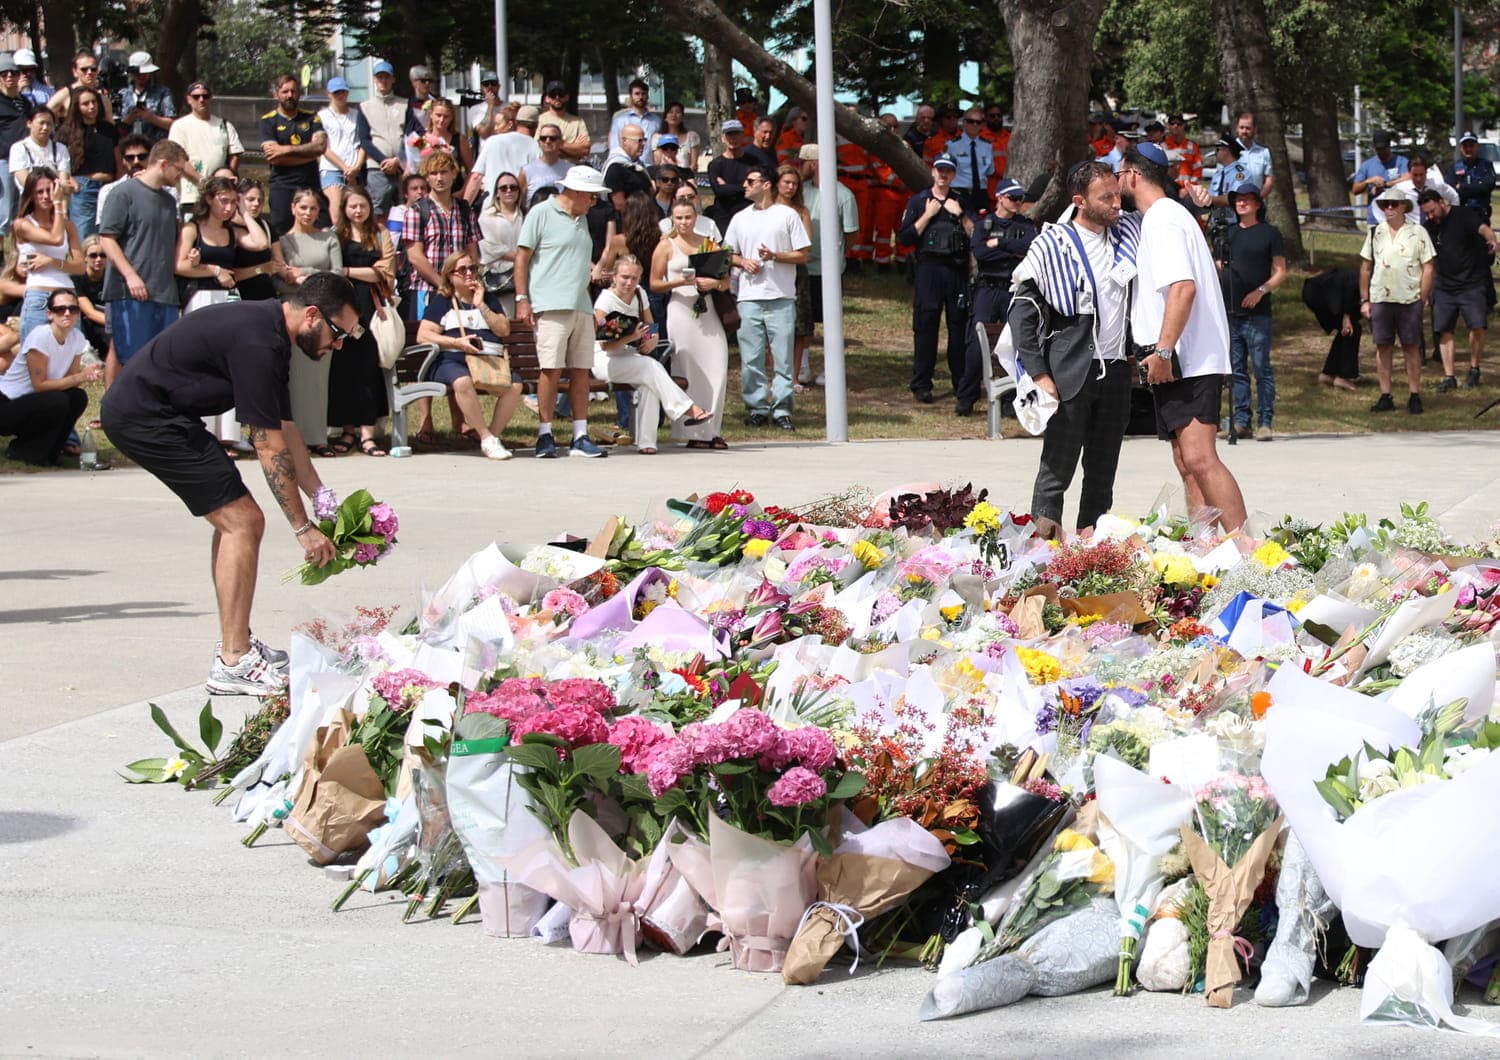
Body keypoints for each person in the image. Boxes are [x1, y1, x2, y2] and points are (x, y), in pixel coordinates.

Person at [100, 272, 360, 695]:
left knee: (237, 520)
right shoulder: (259, 342)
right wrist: (303, 528)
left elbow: (285, 428)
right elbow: (267, 445)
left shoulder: (272, 333)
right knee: (243, 521)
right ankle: (233, 660)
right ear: (312, 314)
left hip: (165, 416)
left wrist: (321, 497)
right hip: (144, 417)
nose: (340, 344)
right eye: (338, 332)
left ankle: (235, 641)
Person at [1118, 143, 1247, 533]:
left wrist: (1163, 350)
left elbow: (1182, 288)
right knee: (1186, 460)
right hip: (1182, 356)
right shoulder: (1166, 216)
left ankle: (1250, 551)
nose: (1117, 180)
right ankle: (1203, 544)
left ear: (1133, 175)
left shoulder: (1162, 219)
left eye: (1119, 173)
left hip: (1188, 356)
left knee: (1200, 457)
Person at [1010, 161, 1138, 537]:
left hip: (1115, 370)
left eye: (1117, 194)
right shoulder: (1052, 244)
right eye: (1106, 198)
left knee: (1103, 468)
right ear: (1079, 201)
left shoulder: (1128, 234)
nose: (1117, 203)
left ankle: (1090, 543)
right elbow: (1022, 314)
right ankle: (1044, 544)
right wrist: (1039, 374)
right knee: (1058, 465)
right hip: (1070, 369)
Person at [514, 164, 610, 457]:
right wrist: (522, 298)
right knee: (551, 370)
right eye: (592, 196)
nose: (594, 201)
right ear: (577, 192)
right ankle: (545, 434)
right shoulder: (541, 213)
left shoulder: (582, 219)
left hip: (581, 305)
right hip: (550, 304)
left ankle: (580, 435)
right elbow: (522, 257)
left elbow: (577, 263)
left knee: (581, 371)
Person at [177, 175, 269, 455]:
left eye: (232, 202)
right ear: (209, 199)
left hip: (228, 300)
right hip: (201, 298)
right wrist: (214, 269)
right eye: (224, 201)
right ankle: (202, 432)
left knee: (229, 365)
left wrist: (243, 212)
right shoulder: (192, 228)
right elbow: (179, 266)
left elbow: (261, 243)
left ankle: (227, 434)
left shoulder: (232, 231)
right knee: (201, 364)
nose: (228, 207)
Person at [723, 163, 810, 430]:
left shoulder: (787, 215)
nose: (745, 185)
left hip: (781, 296)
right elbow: (726, 253)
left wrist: (775, 256)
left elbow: (803, 254)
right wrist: (742, 261)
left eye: (750, 181)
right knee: (751, 358)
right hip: (749, 297)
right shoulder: (740, 218)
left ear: (766, 184)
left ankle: (782, 410)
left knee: (783, 358)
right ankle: (757, 408)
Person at [592, 255, 709, 454]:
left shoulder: (640, 293)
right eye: (624, 277)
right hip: (604, 360)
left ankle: (647, 442)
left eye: (634, 278)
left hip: (630, 356)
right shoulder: (605, 301)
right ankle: (686, 409)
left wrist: (651, 340)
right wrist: (631, 337)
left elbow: (651, 327)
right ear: (614, 277)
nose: (629, 283)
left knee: (649, 381)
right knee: (650, 367)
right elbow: (605, 346)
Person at [414, 249, 522, 460]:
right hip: (451, 360)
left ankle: (492, 437)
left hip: (488, 360)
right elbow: (423, 335)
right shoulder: (443, 301)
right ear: (450, 275)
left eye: (472, 268)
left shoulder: (488, 299)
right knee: (462, 381)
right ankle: (485, 436)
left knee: (515, 385)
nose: (469, 273)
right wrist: (456, 342)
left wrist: (481, 304)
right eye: (462, 270)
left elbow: (503, 330)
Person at [99, 139, 189, 374]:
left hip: (164, 293)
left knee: (162, 361)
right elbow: (107, 239)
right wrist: (130, 276)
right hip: (130, 292)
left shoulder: (169, 201)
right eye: (178, 169)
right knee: (131, 361)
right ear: (163, 164)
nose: (180, 176)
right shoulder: (123, 193)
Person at [651, 197, 731, 449]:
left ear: (696, 218)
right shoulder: (665, 246)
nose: (684, 222)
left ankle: (712, 430)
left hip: (707, 309)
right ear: (672, 219)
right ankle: (692, 431)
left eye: (688, 217)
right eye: (679, 218)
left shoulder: (708, 244)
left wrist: (714, 284)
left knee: (717, 366)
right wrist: (679, 282)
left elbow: (726, 280)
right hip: (680, 310)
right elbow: (654, 283)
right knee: (688, 370)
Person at [271, 187, 344, 453]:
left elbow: (337, 274)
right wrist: (302, 277)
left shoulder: (328, 238)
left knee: (317, 378)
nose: (308, 213)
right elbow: (280, 278)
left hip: (323, 313)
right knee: (294, 379)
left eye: (313, 208)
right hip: (293, 312)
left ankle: (318, 437)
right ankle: (294, 439)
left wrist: (306, 273)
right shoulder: (282, 241)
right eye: (303, 207)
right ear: (293, 208)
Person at [897, 154, 974, 405]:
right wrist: (928, 215)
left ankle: (961, 383)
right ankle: (921, 384)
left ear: (954, 175)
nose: (943, 175)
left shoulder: (961, 199)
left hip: (955, 270)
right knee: (926, 327)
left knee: (958, 328)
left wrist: (960, 214)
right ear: (933, 172)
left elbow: (975, 234)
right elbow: (905, 238)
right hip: (929, 270)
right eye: (940, 170)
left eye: (948, 171)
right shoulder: (919, 201)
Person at [1216, 182, 1286, 441]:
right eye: (1238, 199)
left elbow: (1280, 271)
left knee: (1261, 367)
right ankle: (1241, 421)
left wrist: (1261, 291)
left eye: (1247, 199)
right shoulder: (1228, 234)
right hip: (1231, 311)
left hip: (1257, 314)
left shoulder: (1269, 233)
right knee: (1236, 369)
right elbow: (1218, 265)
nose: (1241, 203)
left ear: (1257, 203)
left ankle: (1265, 421)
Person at [963, 176, 1036, 416]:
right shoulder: (984, 224)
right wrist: (1010, 251)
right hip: (987, 289)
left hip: (1013, 288)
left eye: (1020, 198)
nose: (1017, 202)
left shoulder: (1025, 225)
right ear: (1000, 198)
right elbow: (981, 253)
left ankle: (1010, 400)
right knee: (977, 343)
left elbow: (1029, 248)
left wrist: (1000, 243)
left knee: (1013, 344)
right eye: (1013, 198)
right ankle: (967, 397)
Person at [330, 186, 394, 455]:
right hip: (342, 306)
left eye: (362, 206)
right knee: (343, 367)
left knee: (369, 367)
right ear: (344, 209)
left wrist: (347, 270)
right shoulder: (336, 235)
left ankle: (368, 433)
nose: (358, 211)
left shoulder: (380, 233)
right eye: (353, 206)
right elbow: (331, 270)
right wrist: (365, 271)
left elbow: (385, 272)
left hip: (371, 305)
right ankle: (347, 431)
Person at [0, 288, 97, 464]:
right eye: (60, 309)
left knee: (77, 397)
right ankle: (22, 450)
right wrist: (79, 377)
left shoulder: (77, 337)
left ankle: (50, 452)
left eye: (73, 309)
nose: (67, 313)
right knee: (57, 400)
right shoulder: (41, 336)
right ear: (50, 314)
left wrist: (85, 375)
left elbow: (70, 381)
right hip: (7, 404)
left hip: (35, 402)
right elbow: (40, 385)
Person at [1361, 186, 1435, 414]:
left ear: (1404, 207)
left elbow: (1428, 267)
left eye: (1394, 204)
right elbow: (1365, 266)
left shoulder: (1418, 232)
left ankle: (1414, 395)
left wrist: (1422, 297)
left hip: (1409, 299)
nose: (1389, 208)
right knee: (1383, 346)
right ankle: (1386, 395)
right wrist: (1364, 299)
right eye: (1386, 205)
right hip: (1381, 297)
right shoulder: (1375, 232)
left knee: (1411, 347)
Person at [1419, 187, 1494, 391]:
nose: (1431, 216)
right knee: (1444, 330)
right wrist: (1426, 289)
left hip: (1471, 282)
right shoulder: (1428, 227)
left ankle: (1474, 369)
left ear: (1441, 202)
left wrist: (1492, 240)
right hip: (1443, 285)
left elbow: (1483, 229)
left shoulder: (1464, 215)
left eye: (1432, 211)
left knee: (1477, 327)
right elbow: (1425, 261)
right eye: (1426, 213)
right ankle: (1449, 376)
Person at [799, 144, 858, 388]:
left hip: (828, 271)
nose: (800, 167)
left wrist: (837, 255)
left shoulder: (843, 195)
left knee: (831, 321)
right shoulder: (801, 192)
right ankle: (802, 366)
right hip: (803, 267)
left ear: (813, 164)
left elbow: (851, 234)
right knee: (803, 321)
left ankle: (829, 368)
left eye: (803, 162)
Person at [13, 168, 84, 343]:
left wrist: (52, 261)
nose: (46, 196)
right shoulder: (22, 224)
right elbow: (56, 239)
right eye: (40, 192)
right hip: (39, 296)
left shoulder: (69, 226)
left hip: (67, 295)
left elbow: (80, 267)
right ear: (31, 195)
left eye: (50, 190)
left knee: (70, 353)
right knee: (35, 353)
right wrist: (59, 205)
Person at [259, 75, 327, 238]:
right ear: (276, 94)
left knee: (321, 229)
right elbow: (275, 158)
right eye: (285, 92)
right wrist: (308, 153)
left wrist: (286, 149)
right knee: (281, 234)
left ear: (299, 94)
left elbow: (320, 147)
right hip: (282, 185)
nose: (290, 95)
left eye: (293, 91)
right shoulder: (268, 121)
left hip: (310, 184)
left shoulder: (311, 117)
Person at [58, 86, 117, 239]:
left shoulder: (109, 129)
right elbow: (59, 162)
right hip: (84, 188)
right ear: (77, 107)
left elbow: (118, 159)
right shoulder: (67, 131)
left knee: (109, 234)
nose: (92, 106)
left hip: (109, 186)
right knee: (85, 235)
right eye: (86, 104)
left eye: (94, 102)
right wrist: (72, 182)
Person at [358, 61, 407, 217]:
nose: (383, 80)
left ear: (393, 79)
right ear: (374, 79)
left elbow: (410, 136)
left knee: (405, 208)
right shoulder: (365, 106)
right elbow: (364, 140)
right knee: (378, 211)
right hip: (377, 168)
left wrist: (398, 160)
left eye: (387, 77)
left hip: (403, 166)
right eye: (380, 77)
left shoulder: (405, 105)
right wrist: (384, 161)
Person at [1303, 267, 1362, 390]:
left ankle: (1328, 374)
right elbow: (1351, 287)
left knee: (1348, 329)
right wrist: (1346, 317)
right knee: (1351, 330)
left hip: (1321, 292)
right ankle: (1343, 376)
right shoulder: (1369, 277)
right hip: (1319, 292)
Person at [317, 77, 366, 225]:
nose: (340, 95)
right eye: (336, 92)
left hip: (354, 170)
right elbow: (324, 148)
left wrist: (356, 167)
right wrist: (345, 168)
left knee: (355, 210)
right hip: (332, 169)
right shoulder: (322, 116)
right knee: (337, 211)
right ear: (329, 94)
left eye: (343, 92)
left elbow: (363, 143)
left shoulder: (357, 115)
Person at [467, 106, 540, 203]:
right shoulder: (536, 146)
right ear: (537, 125)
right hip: (519, 207)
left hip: (492, 205)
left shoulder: (492, 141)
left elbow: (476, 177)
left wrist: (465, 207)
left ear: (516, 122)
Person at [477, 171, 524, 315]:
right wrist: (521, 257)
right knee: (505, 318)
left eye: (513, 187)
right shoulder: (487, 216)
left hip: (525, 276)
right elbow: (488, 247)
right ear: (497, 193)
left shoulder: (525, 215)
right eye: (504, 188)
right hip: (500, 278)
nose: (509, 191)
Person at [0, 53, 33, 235]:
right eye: (4, 74)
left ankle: (18, 247)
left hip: (24, 159)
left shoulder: (24, 102)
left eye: (13, 73)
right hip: (4, 160)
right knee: (4, 211)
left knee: (23, 208)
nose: (9, 77)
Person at [232, 178, 278, 301]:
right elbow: (231, 275)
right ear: (238, 200)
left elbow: (278, 263)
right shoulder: (228, 228)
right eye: (250, 199)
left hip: (266, 296)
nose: (256, 204)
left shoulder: (266, 227)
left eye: (260, 200)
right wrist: (260, 269)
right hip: (239, 297)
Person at [114, 52, 175, 144]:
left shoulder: (163, 92)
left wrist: (151, 118)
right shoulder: (121, 94)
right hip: (129, 147)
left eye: (145, 72)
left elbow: (173, 124)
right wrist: (129, 119)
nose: (142, 76)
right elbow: (114, 129)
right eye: (137, 73)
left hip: (155, 146)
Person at [1350, 130, 1408, 225]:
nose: (1381, 152)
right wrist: (1368, 181)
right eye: (1378, 149)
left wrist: (1386, 184)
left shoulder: (1401, 162)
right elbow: (1355, 190)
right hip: (1375, 219)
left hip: (1397, 218)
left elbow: (1408, 178)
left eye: (1384, 148)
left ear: (1389, 146)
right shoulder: (1367, 165)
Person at [407, 98, 473, 182]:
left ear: (452, 117)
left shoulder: (460, 139)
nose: (442, 120)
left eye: (446, 116)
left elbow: (471, 170)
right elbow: (411, 169)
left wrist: (464, 189)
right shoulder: (420, 139)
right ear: (431, 114)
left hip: (456, 188)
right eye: (438, 115)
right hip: (428, 188)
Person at [706, 119, 753, 233]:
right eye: (729, 134)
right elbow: (719, 191)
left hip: (749, 216)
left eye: (736, 134)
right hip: (724, 217)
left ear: (742, 136)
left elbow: (757, 187)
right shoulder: (715, 165)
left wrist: (727, 187)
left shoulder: (753, 162)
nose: (733, 138)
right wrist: (744, 187)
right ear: (723, 138)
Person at [945, 108, 994, 215]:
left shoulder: (987, 146)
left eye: (978, 122)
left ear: (982, 125)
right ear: (964, 123)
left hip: (981, 193)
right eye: (971, 121)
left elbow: (990, 171)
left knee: (983, 223)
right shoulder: (952, 145)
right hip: (959, 192)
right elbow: (947, 171)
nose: (974, 125)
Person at [9, 107, 71, 191]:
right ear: (29, 123)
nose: (45, 127)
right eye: (41, 123)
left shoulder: (61, 148)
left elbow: (63, 177)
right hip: (30, 195)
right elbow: (24, 179)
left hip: (55, 195)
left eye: (49, 124)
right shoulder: (18, 148)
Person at [49, 51, 112, 125]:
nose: (89, 72)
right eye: (84, 69)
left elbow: (110, 126)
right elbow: (45, 117)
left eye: (93, 69)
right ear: (75, 71)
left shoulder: (103, 100)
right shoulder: (64, 95)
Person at [1446, 131, 1496, 224]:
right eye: (1465, 146)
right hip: (1461, 214)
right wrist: (1476, 187)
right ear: (1461, 148)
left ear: (1477, 146)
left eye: (1471, 145)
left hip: (1481, 214)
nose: (1468, 149)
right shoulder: (1455, 167)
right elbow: (1451, 190)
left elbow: (1487, 186)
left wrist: (1462, 186)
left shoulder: (1486, 166)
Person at [76, 235, 111, 357]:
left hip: (107, 320)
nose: (99, 259)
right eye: (93, 255)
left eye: (103, 255)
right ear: (85, 257)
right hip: (87, 323)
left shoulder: (112, 277)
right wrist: (117, 324)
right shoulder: (77, 278)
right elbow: (90, 313)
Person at [539, 81, 591, 161]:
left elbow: (585, 150)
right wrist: (573, 149)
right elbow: (539, 150)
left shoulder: (578, 122)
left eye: (561, 94)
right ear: (547, 98)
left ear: (567, 97)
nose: (557, 97)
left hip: (572, 167)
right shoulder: (540, 120)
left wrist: (557, 144)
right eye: (553, 95)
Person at [609, 79, 662, 153]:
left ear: (647, 96)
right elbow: (615, 147)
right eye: (637, 94)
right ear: (631, 96)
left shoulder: (656, 121)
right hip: (627, 160)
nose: (640, 97)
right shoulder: (620, 120)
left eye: (643, 94)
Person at [521, 122, 570, 201]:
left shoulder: (571, 170)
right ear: (539, 142)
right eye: (543, 138)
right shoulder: (526, 171)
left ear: (561, 142)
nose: (547, 141)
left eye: (552, 138)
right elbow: (520, 201)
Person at [1233, 111, 1273, 199]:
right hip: (1234, 202)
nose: (1244, 131)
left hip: (1256, 201)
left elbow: (1269, 180)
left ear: (1255, 129)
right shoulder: (1227, 151)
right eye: (1241, 127)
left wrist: (1258, 199)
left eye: (1248, 128)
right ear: (1237, 128)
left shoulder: (1264, 152)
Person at [654, 102, 700, 171]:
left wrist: (681, 173)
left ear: (682, 116)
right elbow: (658, 163)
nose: (674, 115)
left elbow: (693, 165)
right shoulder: (657, 138)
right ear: (665, 116)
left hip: (686, 175)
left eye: (678, 112)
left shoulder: (692, 137)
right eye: (670, 112)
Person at [1163, 114, 1203, 191]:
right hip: (1168, 190)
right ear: (1168, 126)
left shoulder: (1192, 146)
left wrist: (1188, 189)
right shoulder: (1162, 147)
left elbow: (1198, 171)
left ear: (1184, 125)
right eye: (1172, 123)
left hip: (1188, 191)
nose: (1175, 126)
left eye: (1179, 124)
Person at [468, 72, 505, 139]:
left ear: (498, 86)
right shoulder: (475, 109)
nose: (490, 87)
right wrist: (490, 107)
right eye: (486, 84)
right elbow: (484, 134)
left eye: (493, 83)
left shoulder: (509, 107)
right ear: (482, 88)